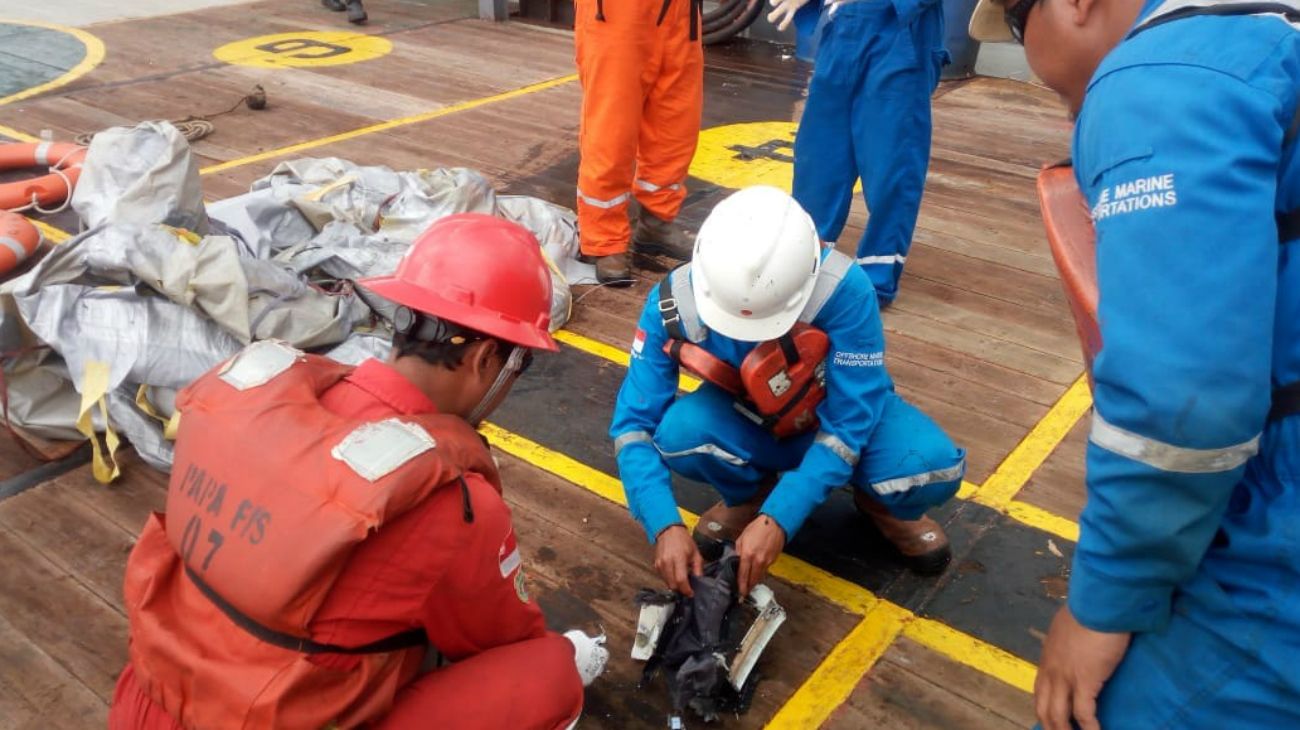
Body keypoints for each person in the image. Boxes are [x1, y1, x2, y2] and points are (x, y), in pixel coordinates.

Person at [108, 215, 606, 729]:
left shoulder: (259, 396)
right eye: (516, 366)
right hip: (265, 714)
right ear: (485, 358)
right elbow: (502, 639)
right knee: (550, 671)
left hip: (147, 699)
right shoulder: (452, 505)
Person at [968, 1, 1300, 728]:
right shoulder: (1264, 38)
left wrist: (1103, 604)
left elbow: (1185, 403)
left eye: (1021, 25)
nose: (1071, 116)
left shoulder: (1158, 78)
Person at [610, 186, 966, 597]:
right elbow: (633, 425)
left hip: (840, 419)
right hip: (751, 422)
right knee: (679, 435)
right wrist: (663, 524)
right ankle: (750, 496)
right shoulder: (670, 306)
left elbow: (851, 423)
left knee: (929, 467)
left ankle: (878, 504)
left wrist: (781, 516)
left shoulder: (845, 290)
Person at [767, 0, 948, 306]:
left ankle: (875, 281)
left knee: (891, 165)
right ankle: (805, 259)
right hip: (842, 34)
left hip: (901, 40)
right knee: (820, 157)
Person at [573, 0, 702, 284]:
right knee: (611, 132)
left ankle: (657, 222)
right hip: (617, 13)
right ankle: (604, 240)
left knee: (675, 127)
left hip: (679, 14)